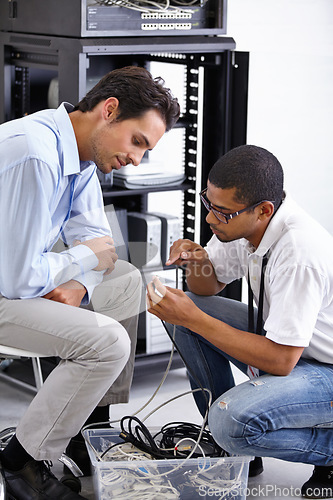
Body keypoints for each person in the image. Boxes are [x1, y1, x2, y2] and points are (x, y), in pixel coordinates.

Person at [0, 65, 180, 499]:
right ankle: (23, 460)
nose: (136, 159)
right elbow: (20, 278)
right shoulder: (35, 154)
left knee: (124, 279)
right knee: (109, 343)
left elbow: (102, 248)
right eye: (137, 142)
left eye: (146, 150)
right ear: (109, 110)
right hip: (7, 285)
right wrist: (81, 261)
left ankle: (86, 426)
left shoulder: (80, 154)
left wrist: (78, 280)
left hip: (15, 275)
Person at [147, 144, 333, 499]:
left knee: (228, 420)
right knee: (186, 309)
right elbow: (209, 285)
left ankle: (326, 450)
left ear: (264, 210)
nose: (210, 219)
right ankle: (235, 452)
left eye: (222, 212)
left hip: (321, 366)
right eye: (208, 204)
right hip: (292, 346)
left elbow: (281, 360)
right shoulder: (244, 225)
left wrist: (195, 319)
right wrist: (197, 259)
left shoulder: (299, 253)